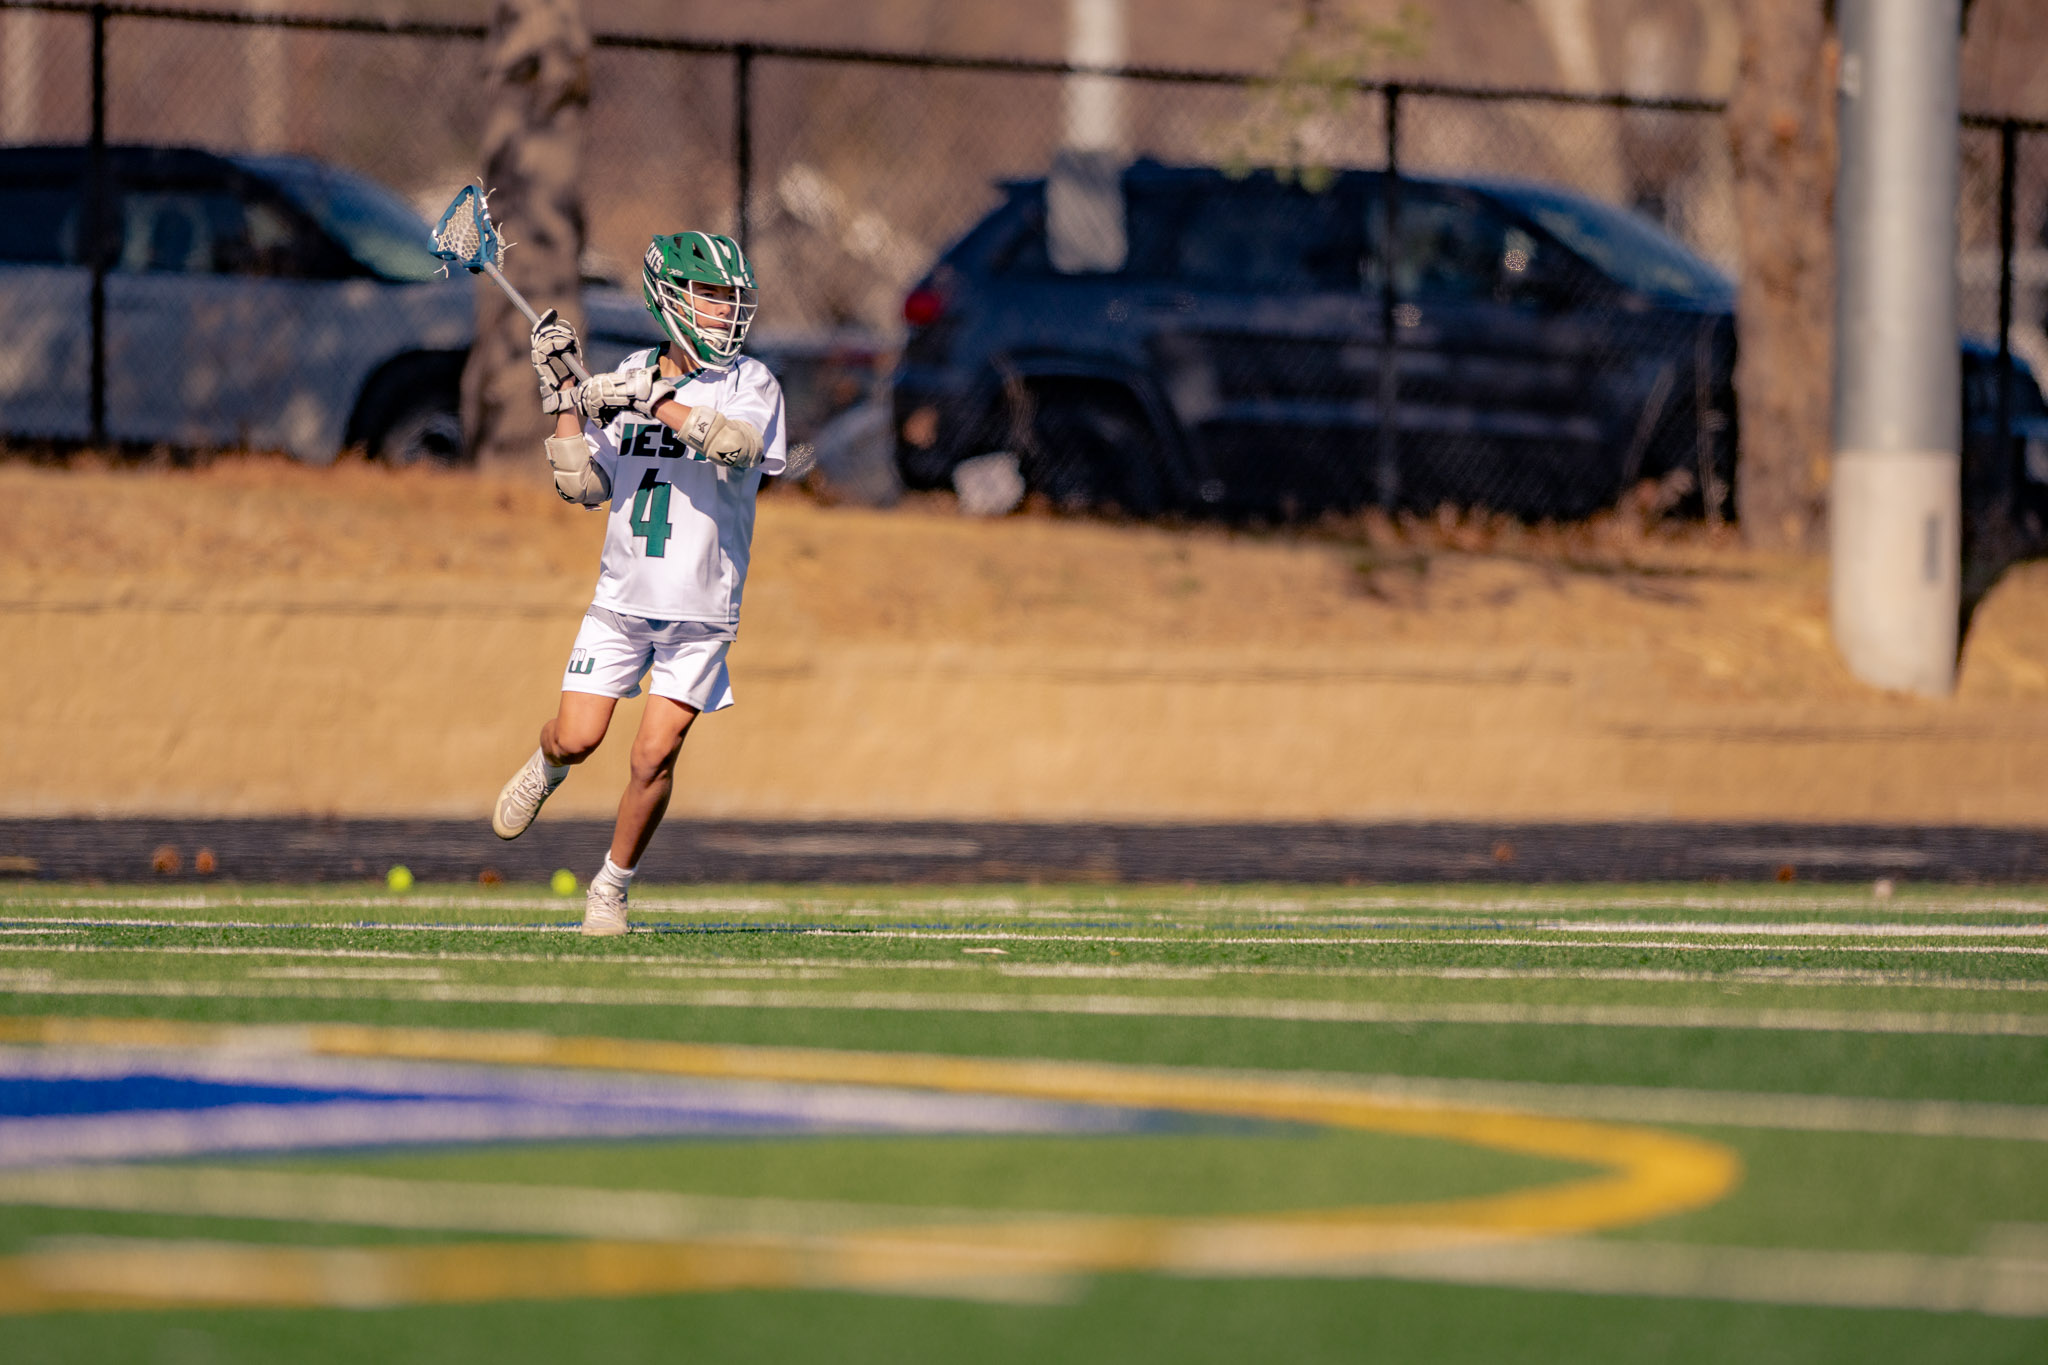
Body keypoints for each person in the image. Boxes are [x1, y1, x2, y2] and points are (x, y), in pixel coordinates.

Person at [489, 231, 784, 936]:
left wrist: (654, 399)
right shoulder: (626, 373)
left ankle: (611, 887)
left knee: (653, 752)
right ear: (671, 300)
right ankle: (548, 760)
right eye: (710, 298)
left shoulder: (751, 382)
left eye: (730, 299)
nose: (724, 313)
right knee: (578, 736)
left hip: (700, 608)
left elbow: (737, 447)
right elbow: (579, 483)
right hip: (621, 603)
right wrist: (564, 393)